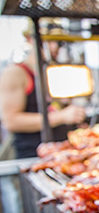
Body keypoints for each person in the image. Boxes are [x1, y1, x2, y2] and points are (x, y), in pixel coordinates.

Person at [0, 25, 86, 159]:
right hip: (33, 156)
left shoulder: (55, 72)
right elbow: (10, 121)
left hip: (64, 153)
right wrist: (61, 117)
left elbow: (58, 107)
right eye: (49, 41)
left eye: (59, 42)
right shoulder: (16, 73)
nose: (55, 47)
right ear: (30, 39)